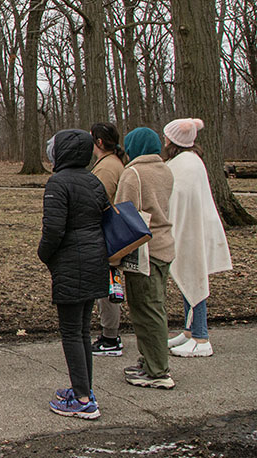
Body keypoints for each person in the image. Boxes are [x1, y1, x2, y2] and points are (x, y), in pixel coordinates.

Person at [39, 129, 110, 420]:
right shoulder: (93, 180)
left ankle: (82, 399)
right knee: (82, 330)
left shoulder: (58, 183)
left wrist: (45, 254)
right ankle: (84, 389)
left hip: (71, 262)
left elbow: (53, 230)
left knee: (71, 331)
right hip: (95, 258)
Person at [162, 118, 233, 358]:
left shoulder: (187, 164)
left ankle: (201, 337)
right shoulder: (189, 161)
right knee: (189, 278)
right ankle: (190, 330)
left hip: (192, 231)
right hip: (191, 228)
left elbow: (178, 197)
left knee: (194, 278)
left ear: (173, 140)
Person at [114, 127, 176, 389]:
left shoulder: (133, 174)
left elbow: (122, 213)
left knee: (146, 310)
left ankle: (157, 371)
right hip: (164, 246)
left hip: (144, 251)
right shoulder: (165, 170)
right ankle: (150, 359)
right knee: (156, 306)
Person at [89, 122, 126, 358]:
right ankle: (110, 334)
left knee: (108, 286)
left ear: (99, 143)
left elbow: (95, 201)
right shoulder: (112, 163)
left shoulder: (107, 168)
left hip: (108, 234)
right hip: (111, 232)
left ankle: (110, 337)